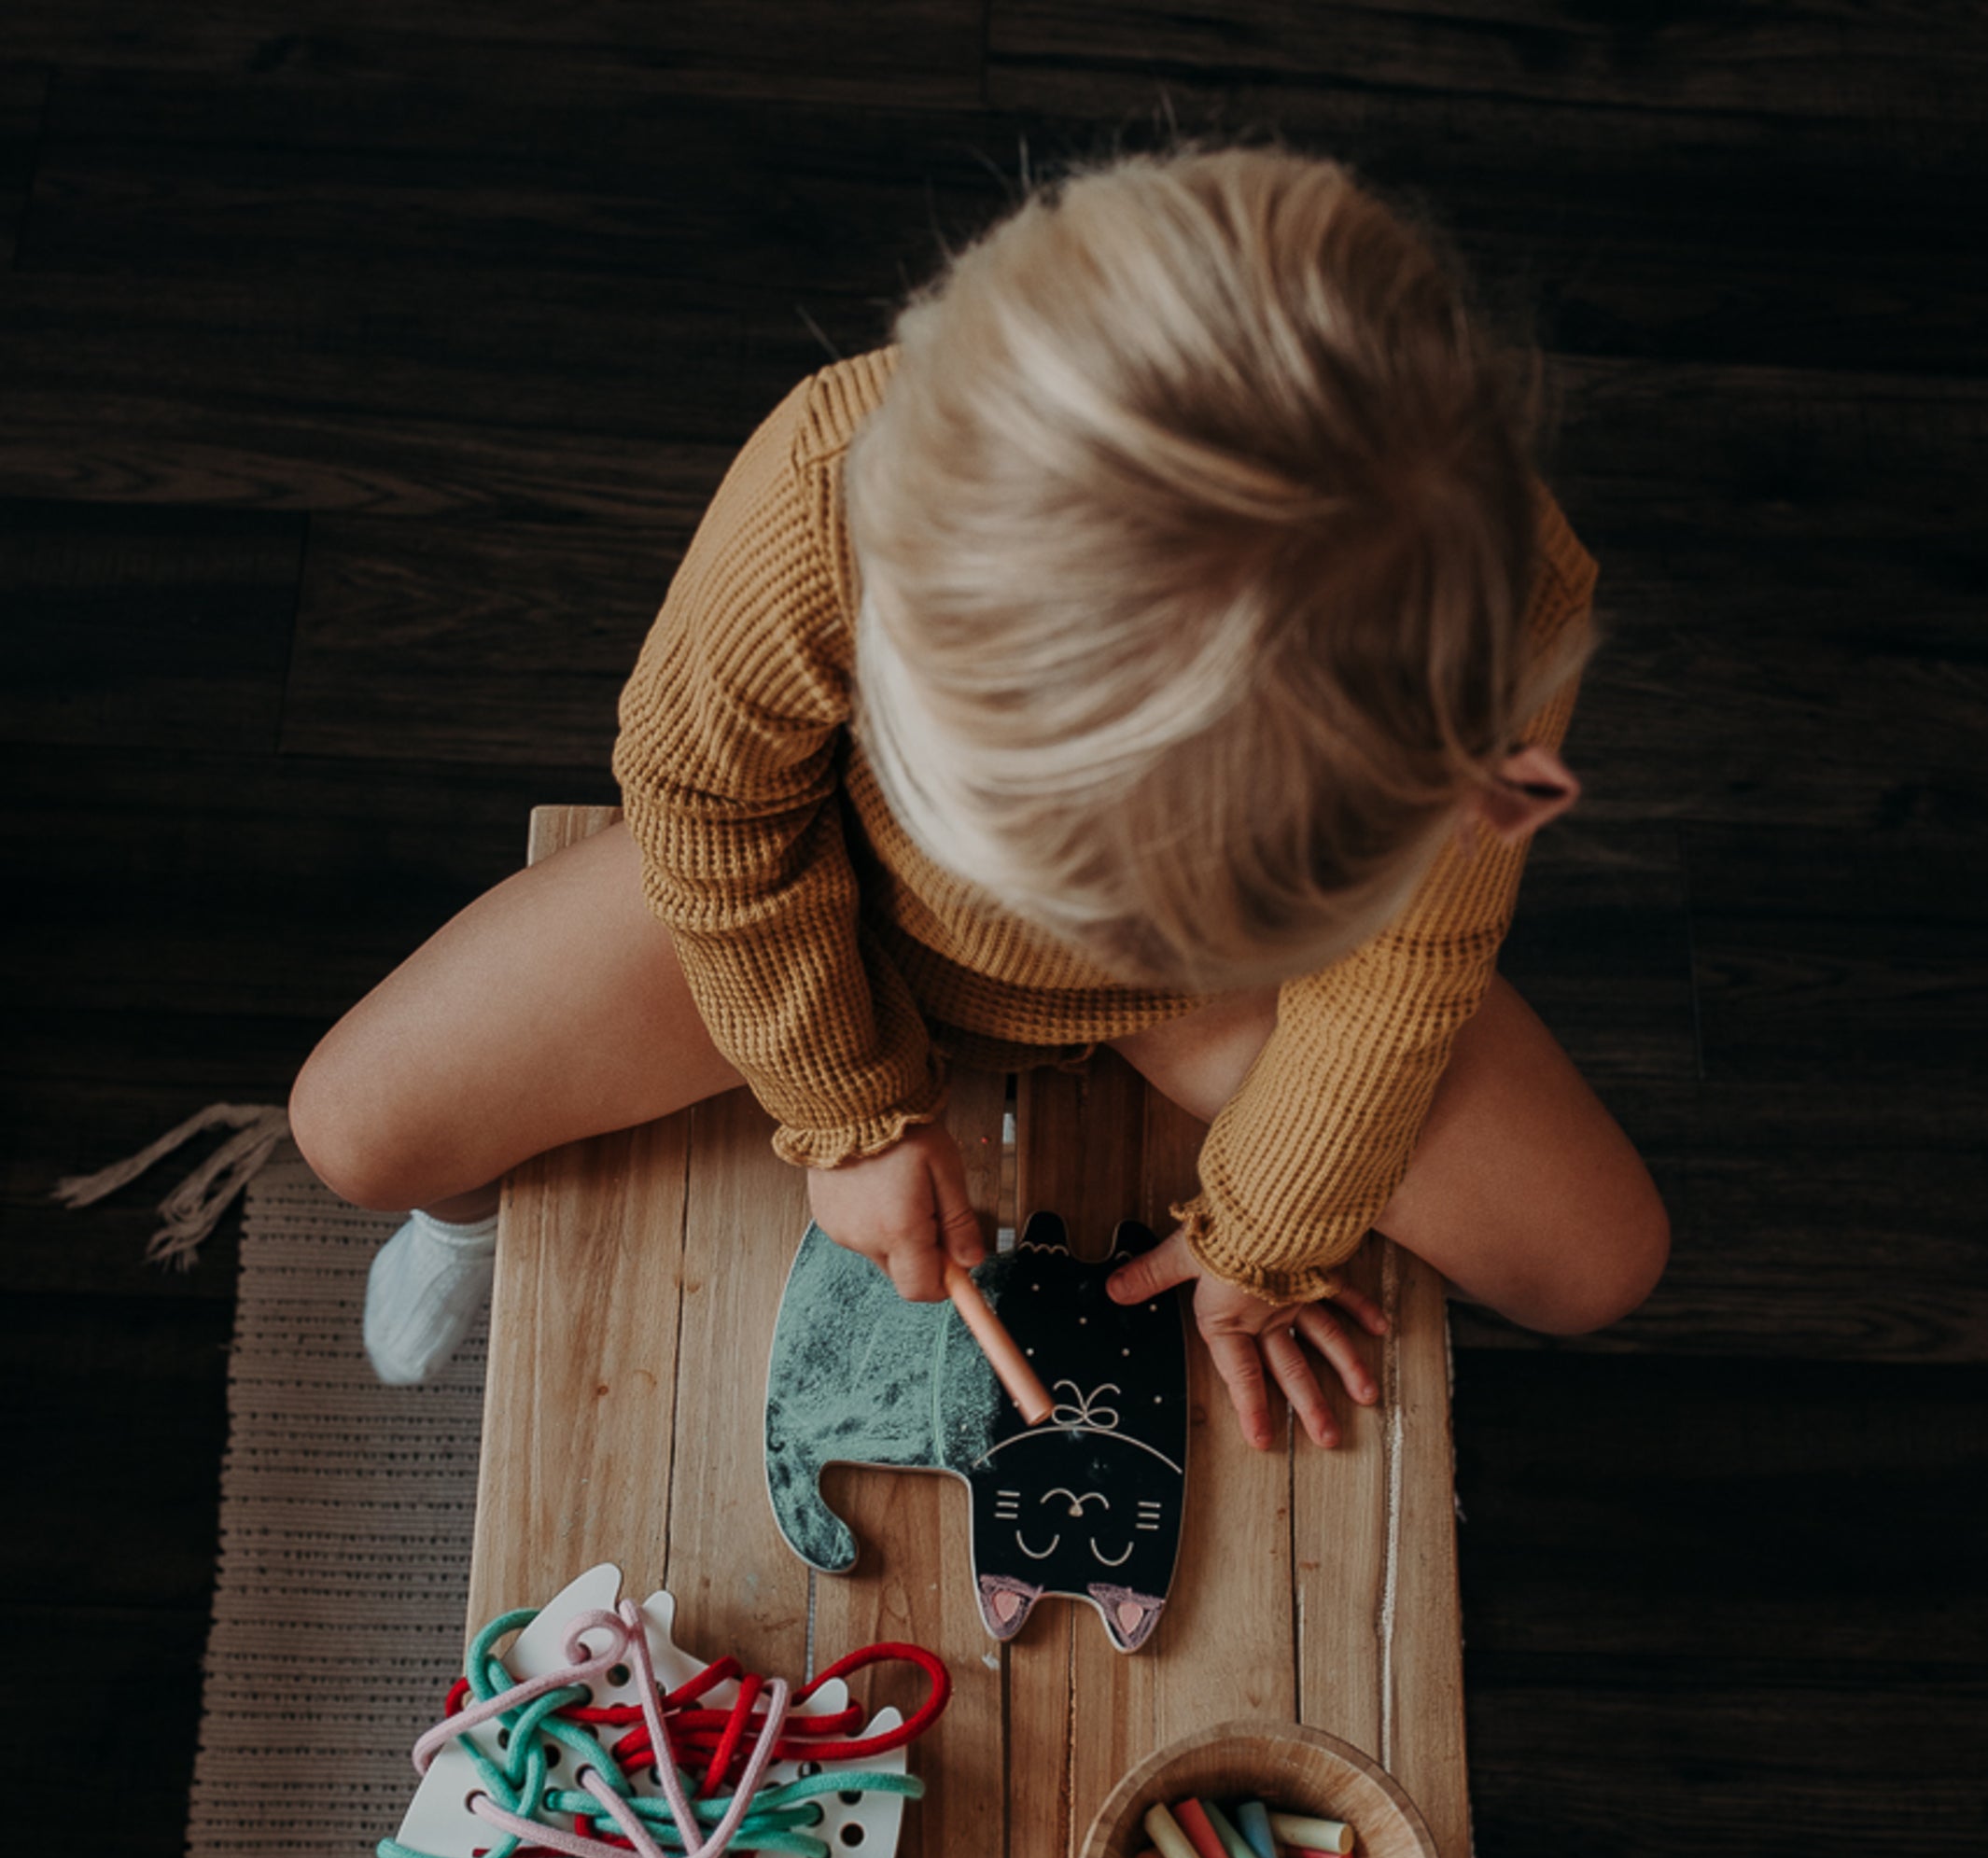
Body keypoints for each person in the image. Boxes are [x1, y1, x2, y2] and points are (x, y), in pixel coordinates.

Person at [289, 143, 1669, 1447]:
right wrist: (849, 1111)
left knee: (1594, 1260)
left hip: (1205, 1001)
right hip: (844, 890)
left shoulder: (1479, 617)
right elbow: (708, 802)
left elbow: (1409, 960)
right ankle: (472, 1222)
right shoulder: (829, 485)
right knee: (362, 1128)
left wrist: (1266, 1227)